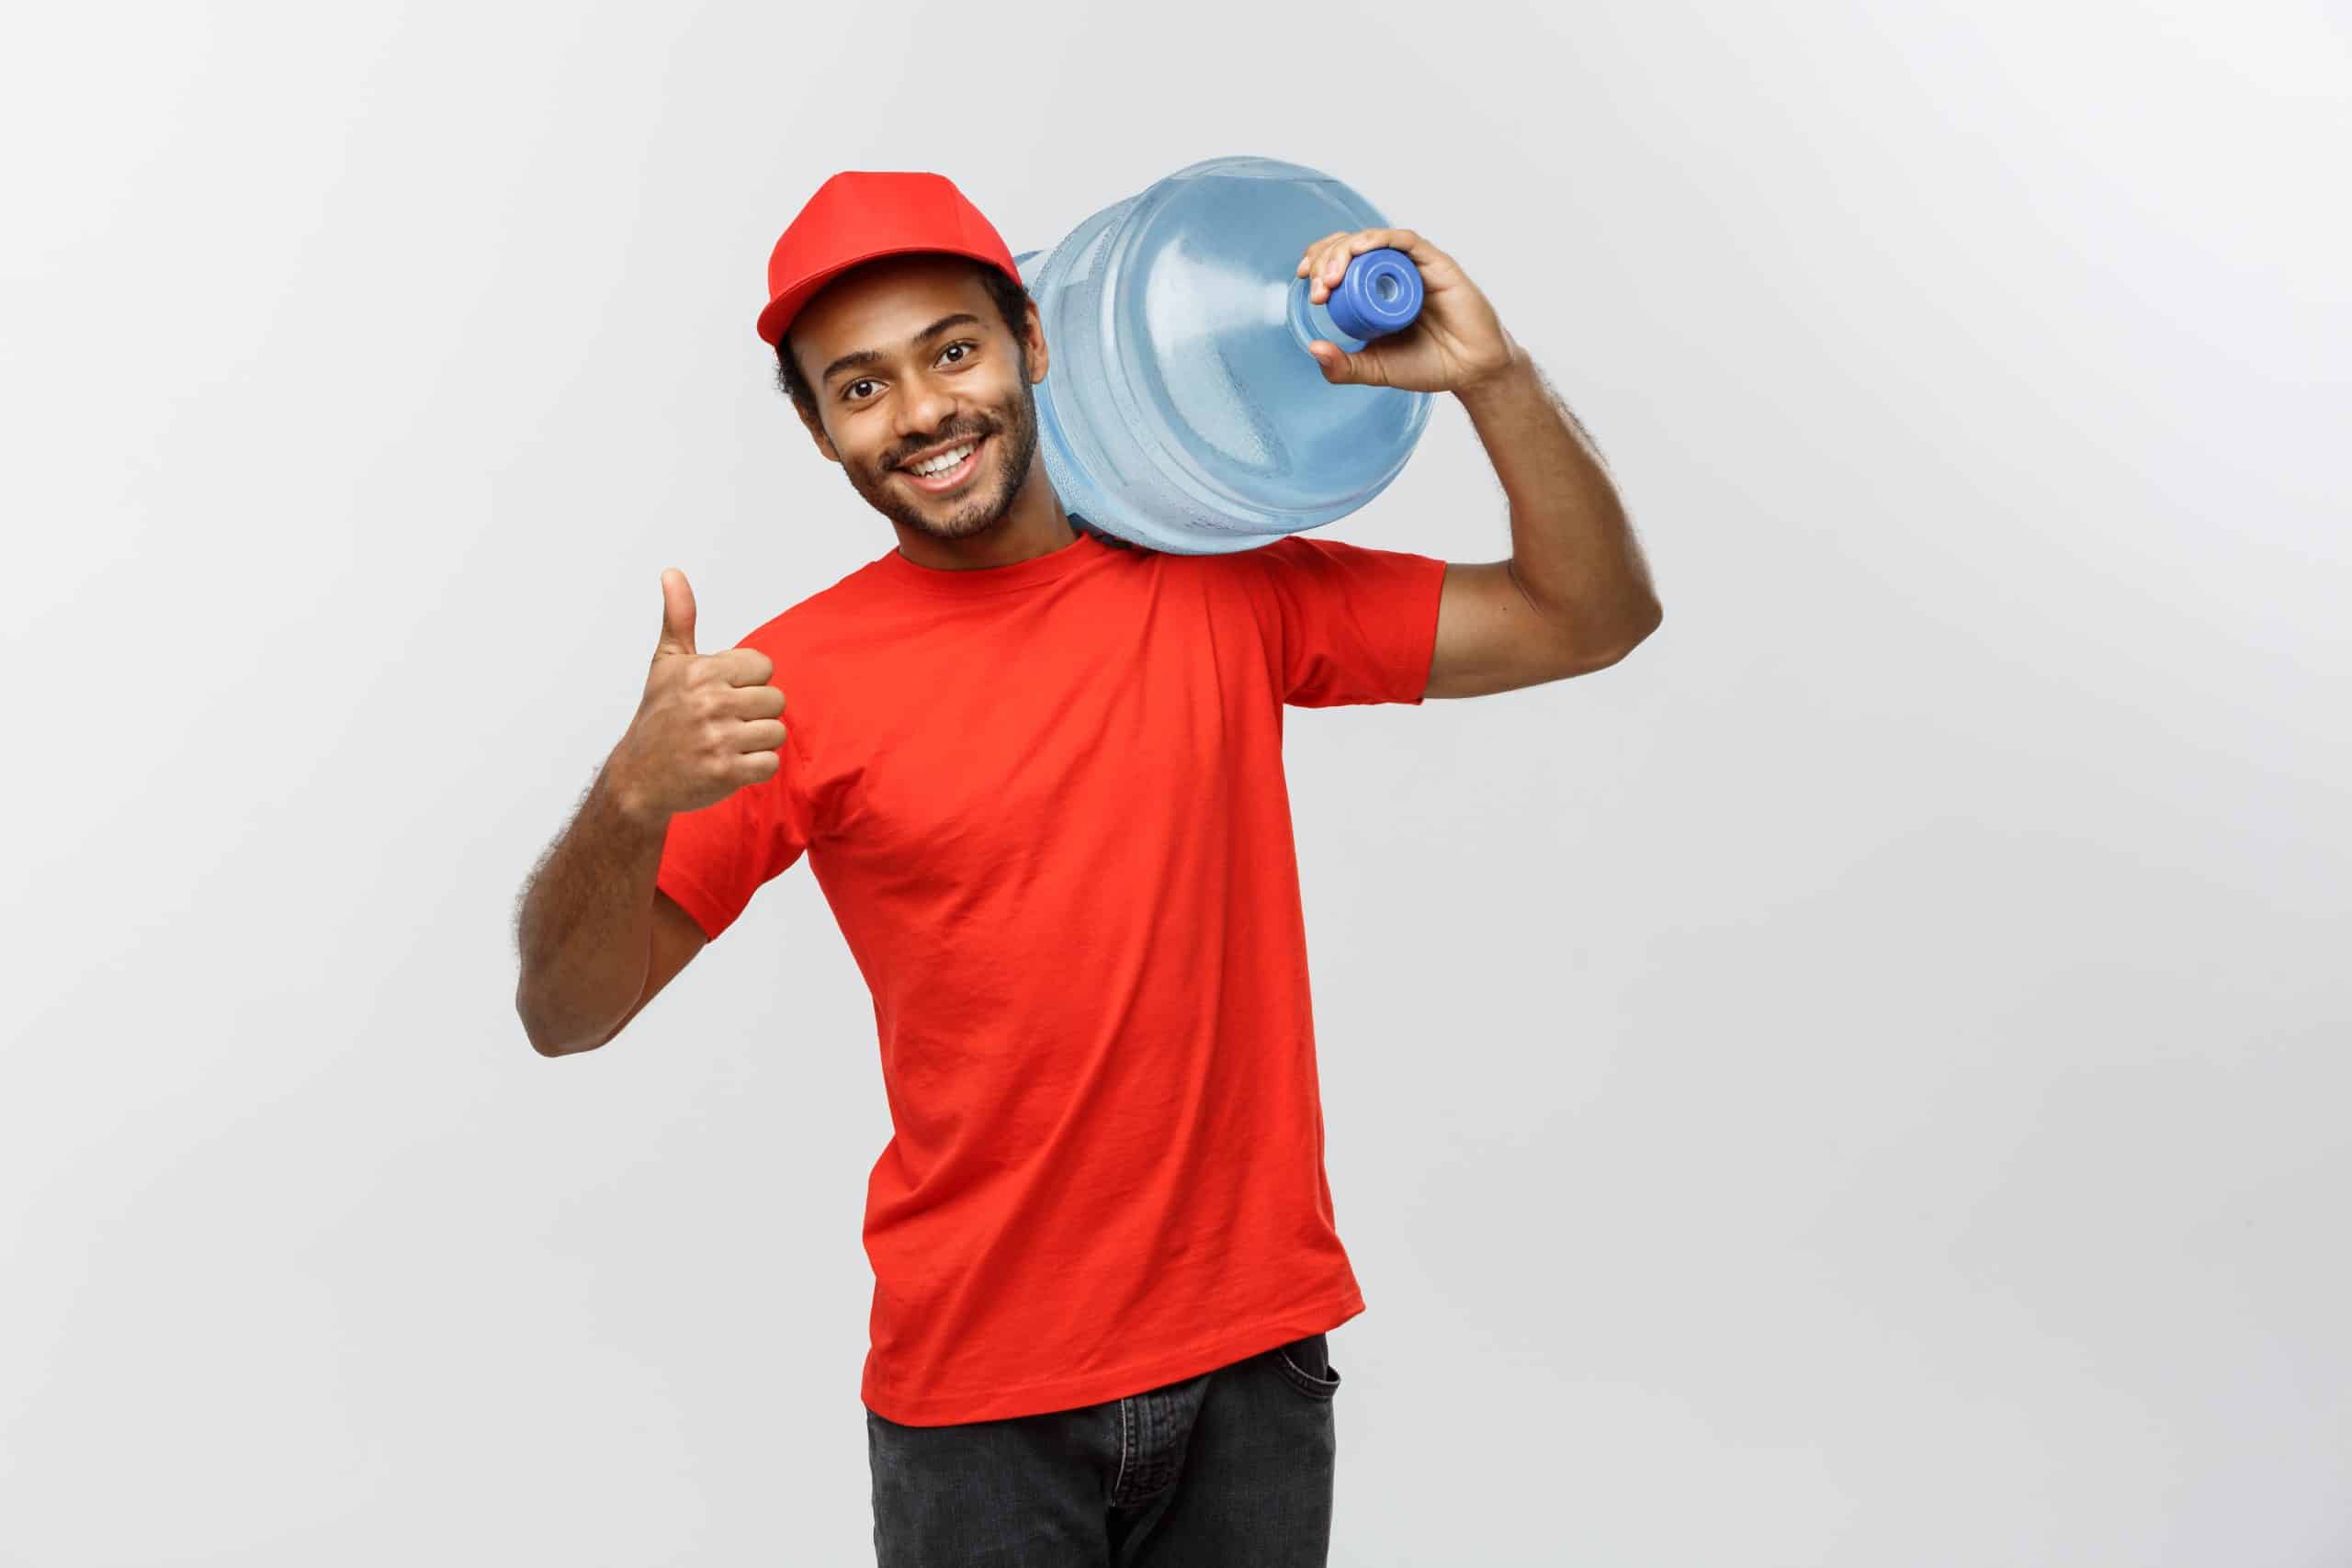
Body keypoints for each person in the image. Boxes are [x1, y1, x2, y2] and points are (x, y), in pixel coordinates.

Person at [513, 169, 1661, 1566]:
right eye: (860, 388)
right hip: (981, 1410)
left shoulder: (1222, 578)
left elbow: (1591, 616)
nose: (925, 412)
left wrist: (1496, 382)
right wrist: (628, 801)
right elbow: (567, 1016)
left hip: (1253, 1359)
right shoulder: (785, 687)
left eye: (952, 350)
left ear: (1034, 344)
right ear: (822, 437)